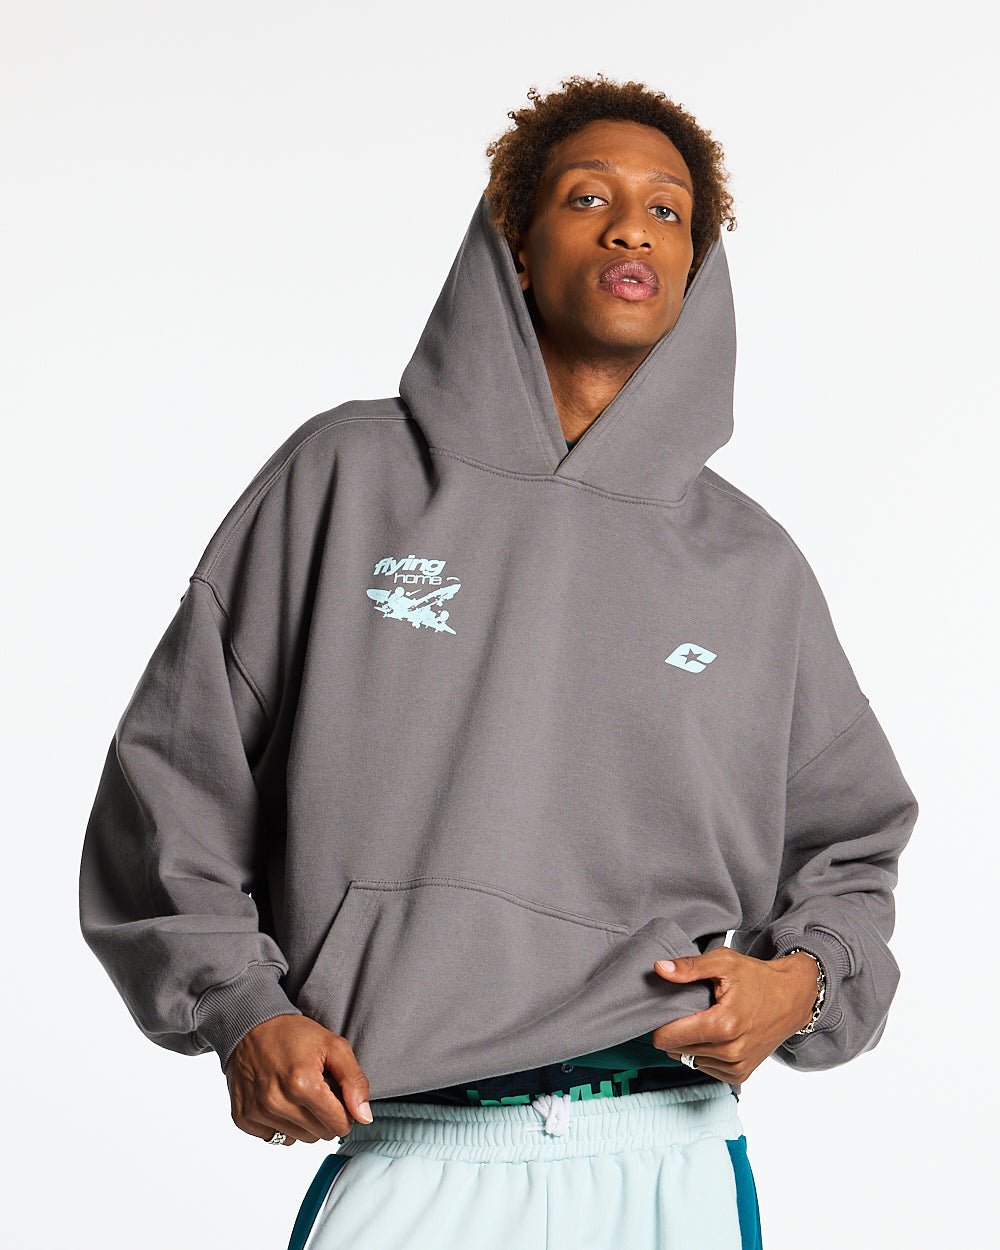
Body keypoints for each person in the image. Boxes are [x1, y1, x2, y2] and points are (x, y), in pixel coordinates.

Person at [78, 73, 919, 1250]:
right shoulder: (345, 477)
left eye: (667, 210)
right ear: (514, 245)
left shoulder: (751, 564)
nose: (630, 228)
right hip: (414, 1138)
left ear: (695, 267)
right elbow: (173, 780)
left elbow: (852, 840)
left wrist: (803, 983)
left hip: (663, 1145)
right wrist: (242, 1007)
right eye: (587, 197)